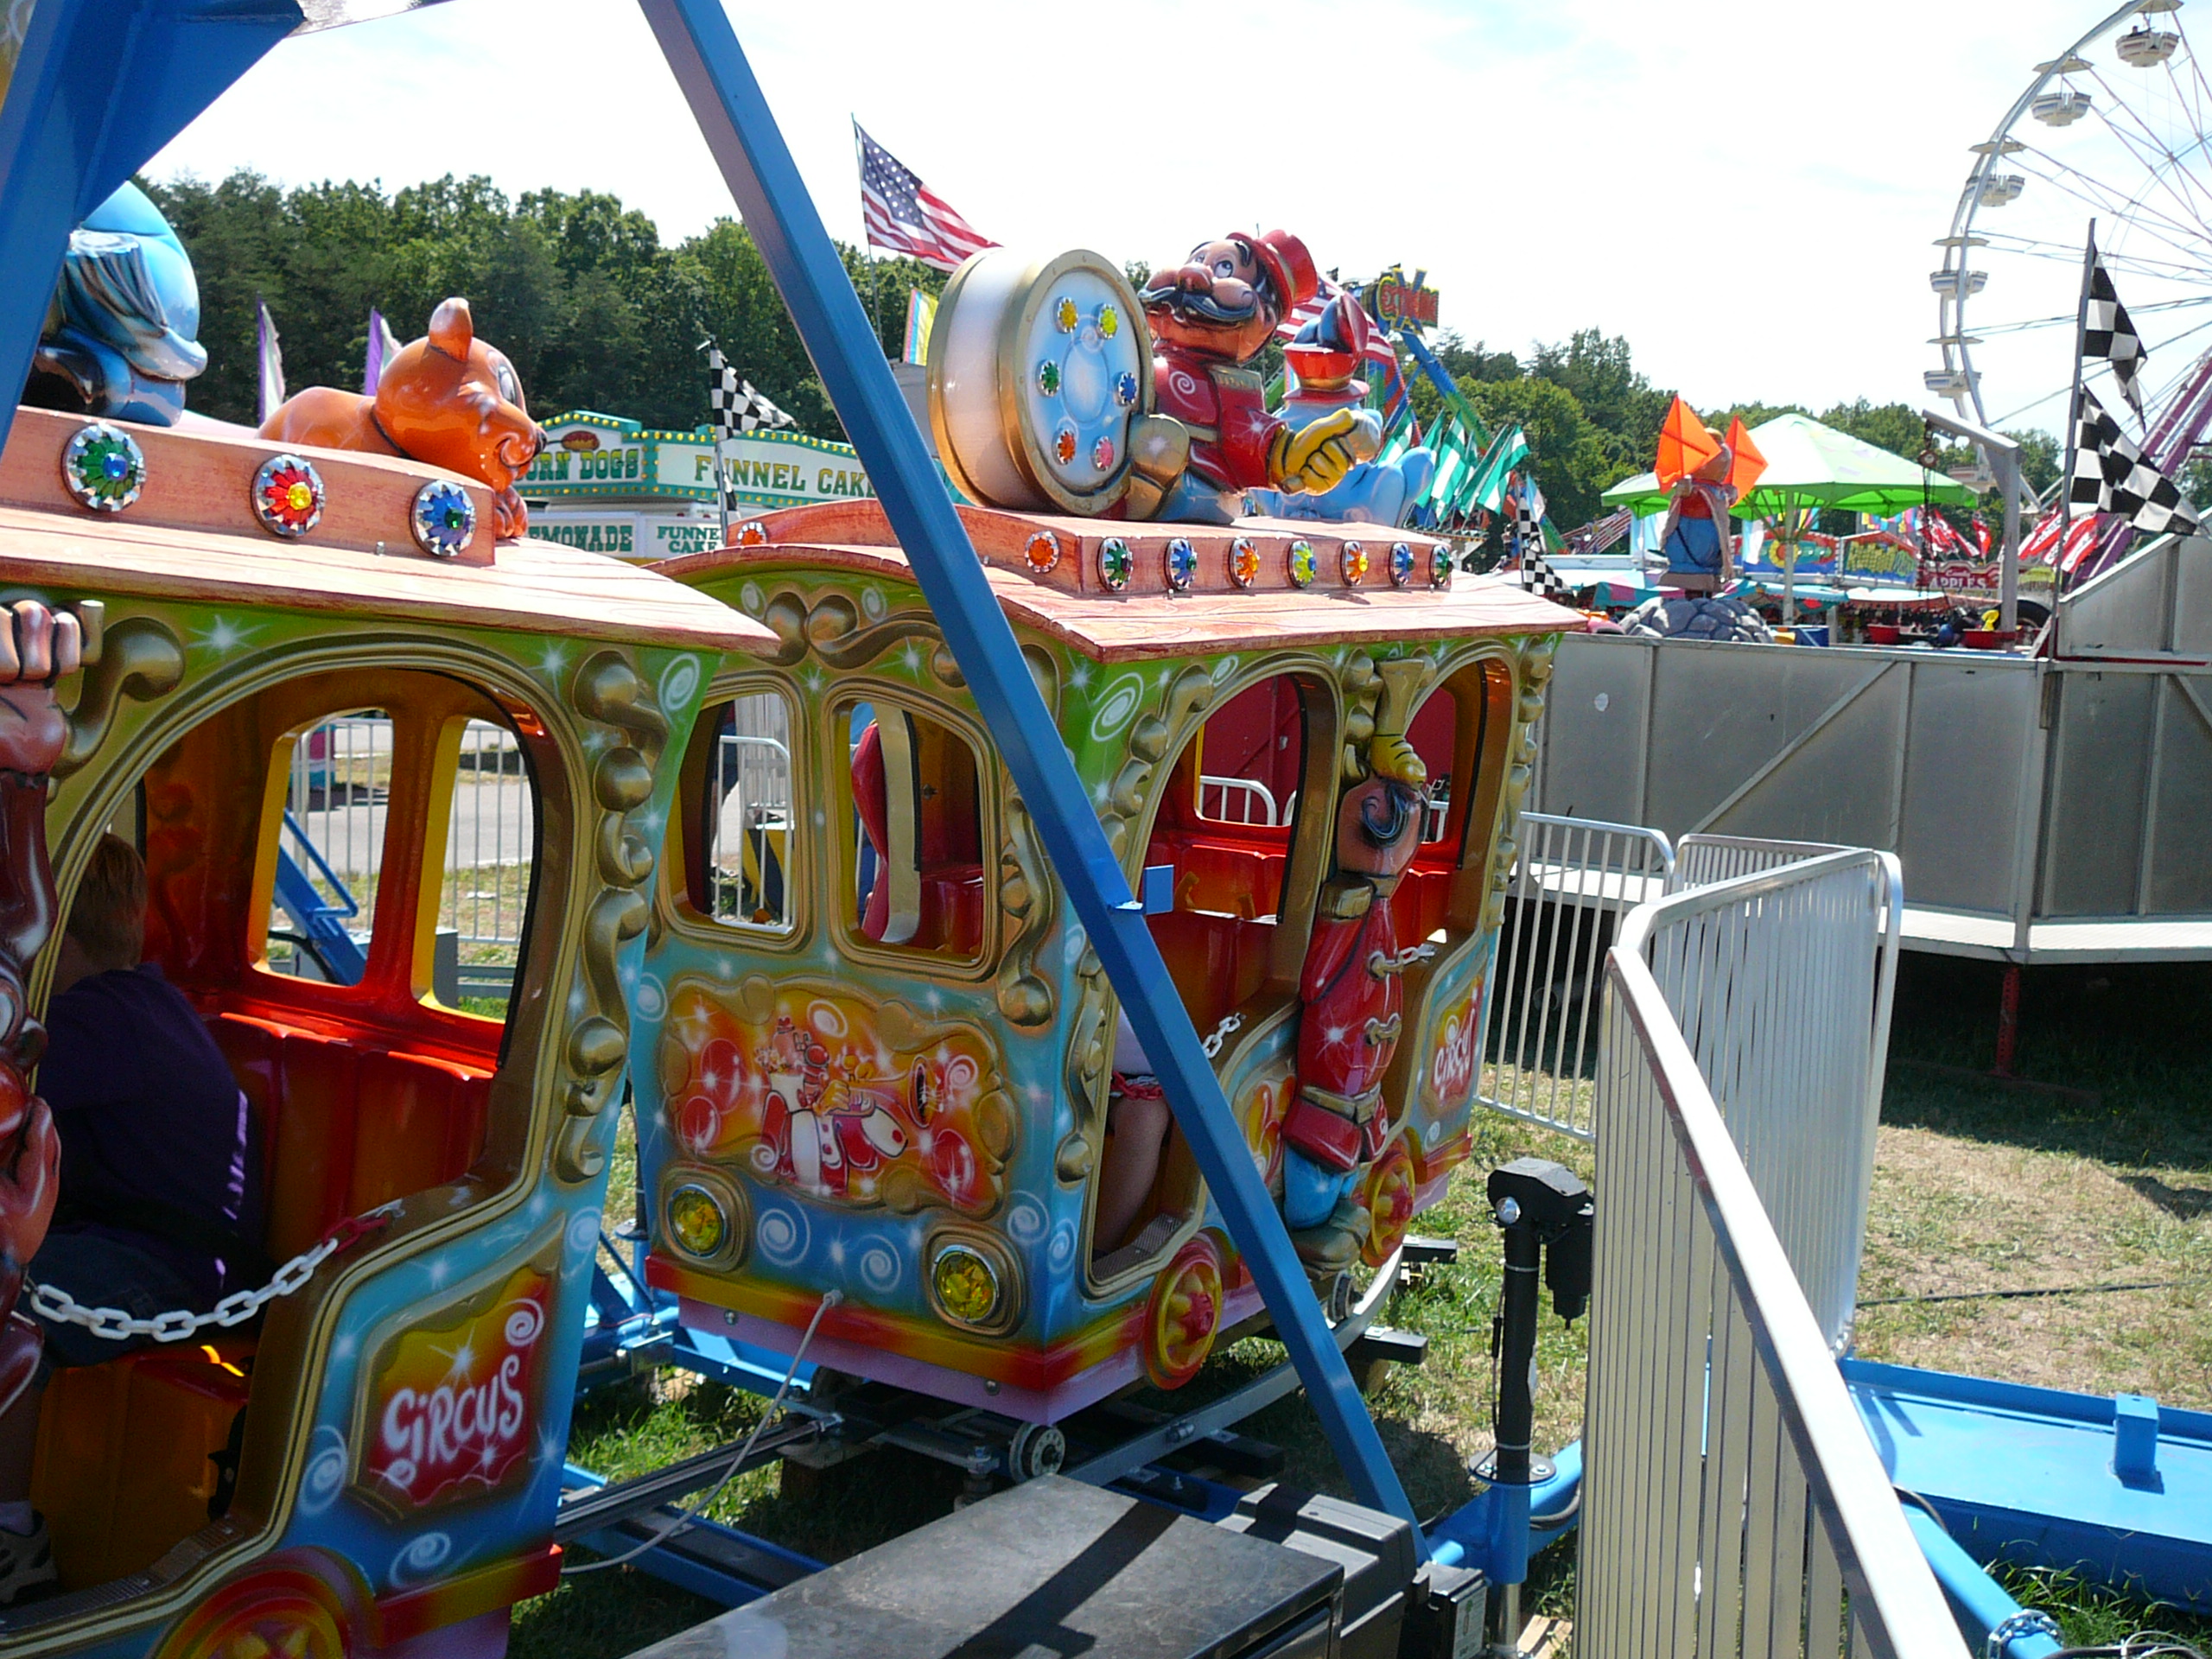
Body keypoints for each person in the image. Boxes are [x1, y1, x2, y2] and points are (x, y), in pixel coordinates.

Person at [0, 834, 260, 1604]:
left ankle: (14, 1543)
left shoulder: (104, 1015)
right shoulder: (124, 1003)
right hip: (124, 1246)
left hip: (168, 1268)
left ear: (46, 932)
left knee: (9, 1307)